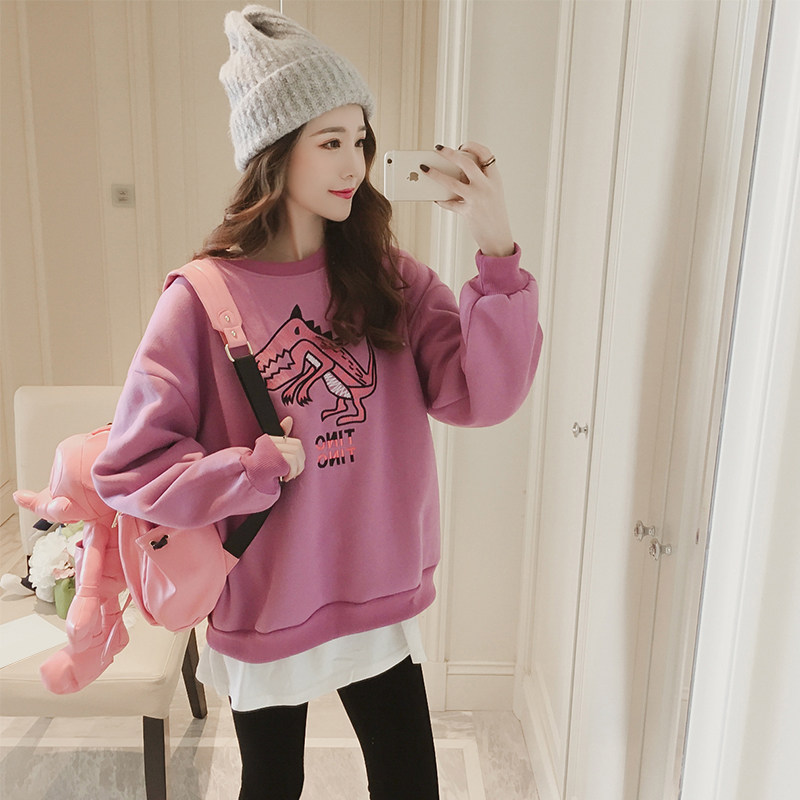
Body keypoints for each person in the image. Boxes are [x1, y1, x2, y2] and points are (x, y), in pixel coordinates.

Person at [92, 6, 543, 799]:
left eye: (360, 140)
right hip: (269, 593)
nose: (354, 164)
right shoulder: (200, 299)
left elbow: (482, 395)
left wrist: (496, 248)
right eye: (329, 141)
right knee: (273, 786)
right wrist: (245, 470)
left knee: (410, 784)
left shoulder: (388, 277)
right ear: (275, 152)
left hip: (376, 586)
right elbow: (129, 467)